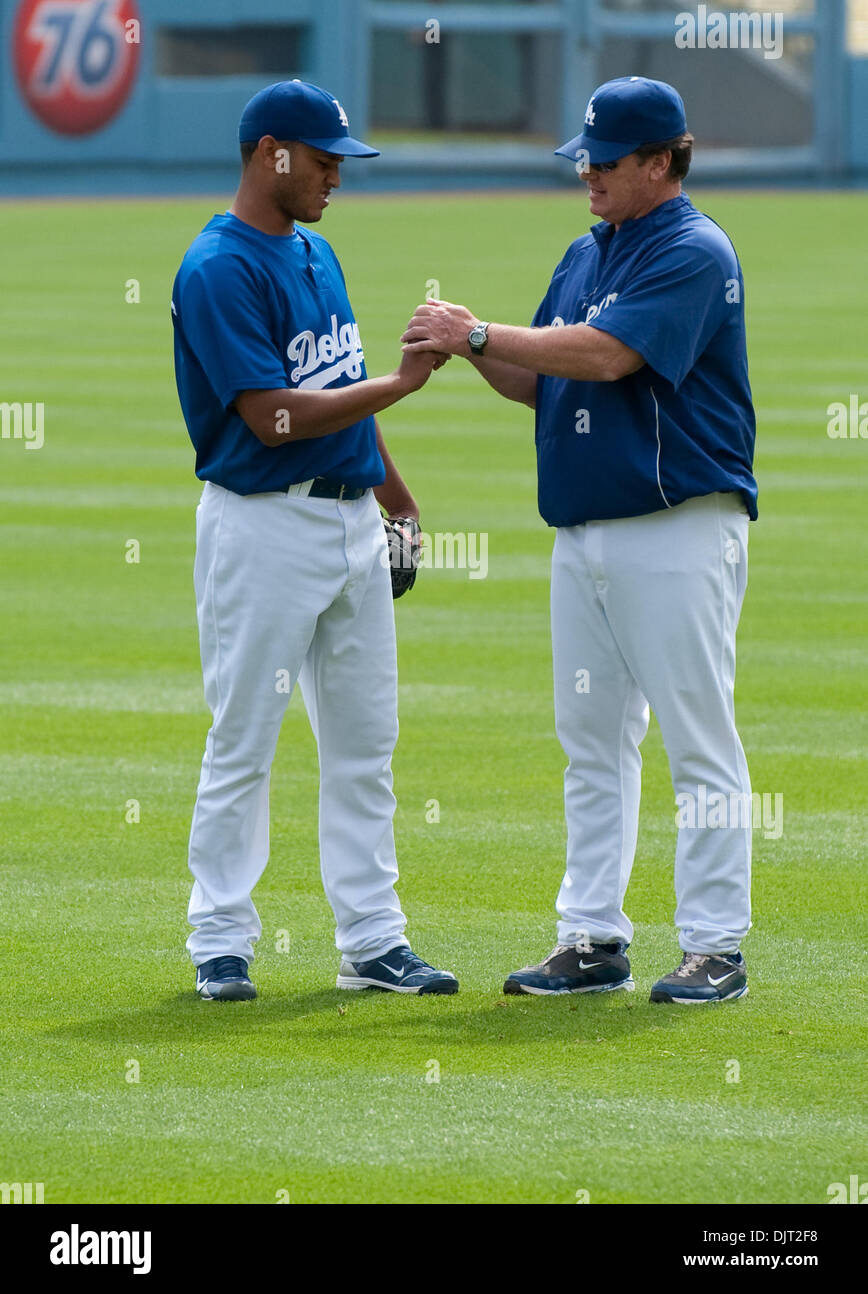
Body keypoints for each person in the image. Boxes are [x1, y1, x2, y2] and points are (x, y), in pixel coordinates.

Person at [402, 76, 757, 1005]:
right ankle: (592, 937)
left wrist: (478, 326)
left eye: (604, 160)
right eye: (583, 157)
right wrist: (475, 351)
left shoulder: (694, 250)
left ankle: (717, 945)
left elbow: (607, 357)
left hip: (678, 527)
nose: (587, 172)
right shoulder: (585, 252)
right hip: (585, 534)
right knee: (593, 742)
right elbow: (542, 381)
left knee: (698, 739)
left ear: (659, 163)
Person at [171, 79, 458, 1000]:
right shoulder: (217, 267)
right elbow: (274, 418)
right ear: (270, 154)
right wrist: (401, 384)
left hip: (348, 520)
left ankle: (373, 940)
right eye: (325, 159)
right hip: (262, 524)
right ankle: (220, 938)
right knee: (245, 736)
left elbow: (336, 398)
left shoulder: (316, 252)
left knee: (367, 742)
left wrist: (399, 503)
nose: (338, 174)